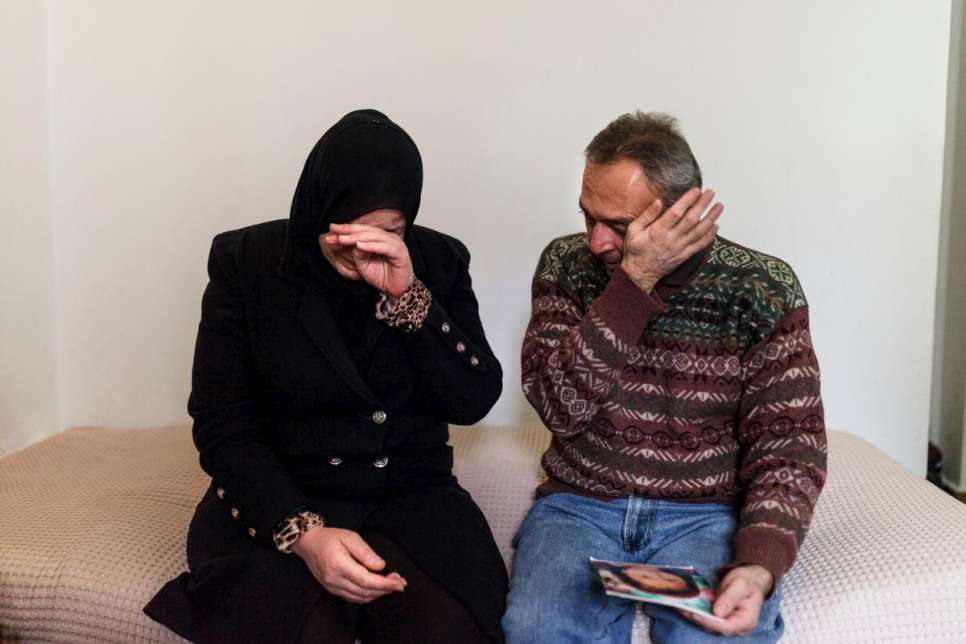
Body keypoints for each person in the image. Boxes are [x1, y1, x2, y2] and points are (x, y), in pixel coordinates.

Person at [144, 109, 507, 643]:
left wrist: (410, 299)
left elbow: (473, 399)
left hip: (408, 498)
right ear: (320, 209)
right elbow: (224, 426)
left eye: (386, 230)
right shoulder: (246, 264)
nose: (362, 248)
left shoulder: (437, 260)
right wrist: (305, 534)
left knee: (451, 629)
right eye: (347, 230)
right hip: (285, 494)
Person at [502, 111, 827, 643]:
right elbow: (560, 408)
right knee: (536, 629)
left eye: (620, 227)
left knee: (718, 636)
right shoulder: (565, 266)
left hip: (707, 515)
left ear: (687, 212)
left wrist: (759, 564)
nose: (597, 242)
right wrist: (633, 281)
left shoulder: (762, 288)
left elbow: (791, 443)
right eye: (588, 217)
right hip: (581, 506)